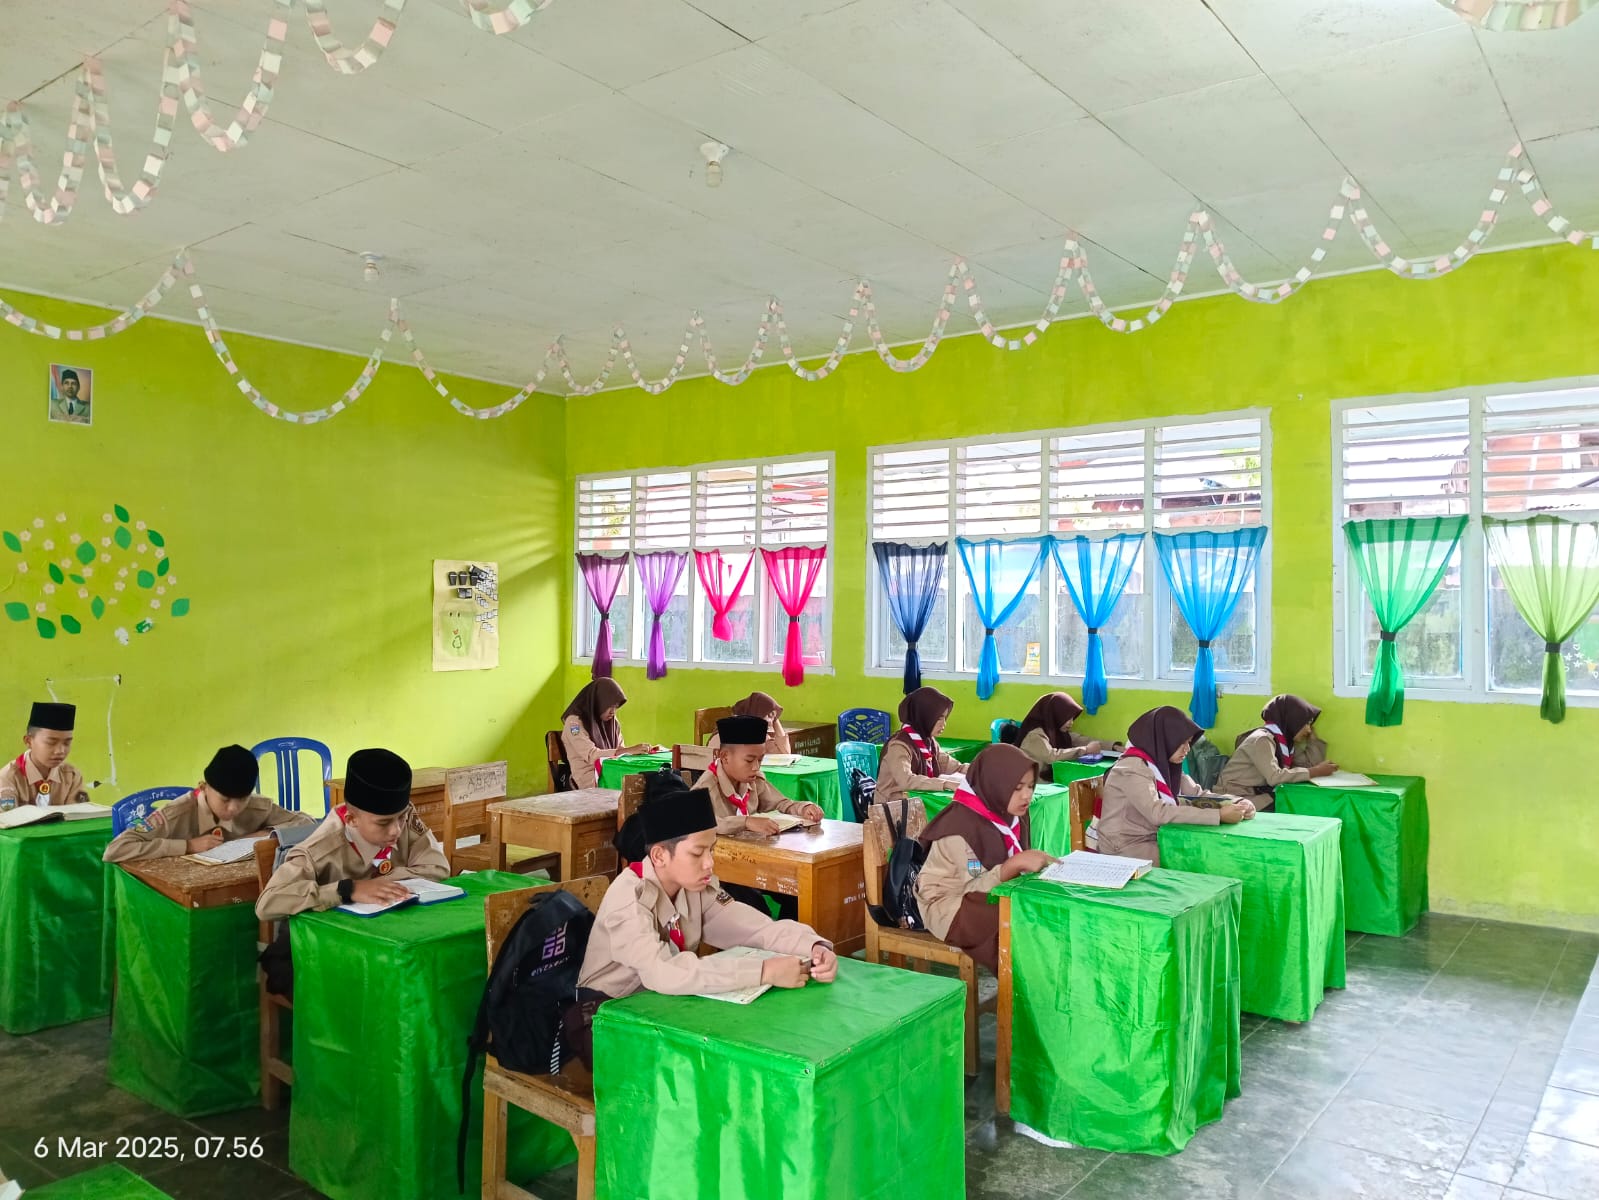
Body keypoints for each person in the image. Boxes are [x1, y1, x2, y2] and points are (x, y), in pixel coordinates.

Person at [565, 772, 836, 1066]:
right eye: (697, 853)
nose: (709, 863)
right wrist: (762, 971)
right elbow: (664, 973)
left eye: (712, 849)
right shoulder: (629, 899)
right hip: (608, 1017)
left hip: (664, 1005)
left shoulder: (694, 887)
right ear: (659, 856)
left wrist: (814, 947)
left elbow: (755, 929)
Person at [255, 748, 449, 921]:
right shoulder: (318, 851)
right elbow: (267, 904)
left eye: (401, 818)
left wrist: (379, 884)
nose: (396, 830)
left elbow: (438, 867)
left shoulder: (403, 820)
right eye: (383, 823)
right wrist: (347, 890)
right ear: (351, 820)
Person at [913, 744, 1057, 971]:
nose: (1027, 795)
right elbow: (972, 889)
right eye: (1017, 788)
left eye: (1030, 786)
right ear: (995, 785)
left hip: (985, 893)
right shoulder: (961, 827)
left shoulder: (1012, 813)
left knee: (1042, 912)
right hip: (950, 906)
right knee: (1019, 926)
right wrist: (1012, 866)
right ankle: (1018, 990)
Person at [103, 744, 315, 862]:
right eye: (224, 799)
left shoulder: (257, 806)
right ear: (203, 787)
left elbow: (308, 822)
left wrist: (268, 834)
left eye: (241, 799)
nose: (233, 808)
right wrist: (186, 846)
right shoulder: (175, 814)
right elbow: (115, 850)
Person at [1096, 707, 1254, 865]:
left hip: (1156, 836)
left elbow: (1197, 795)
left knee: (1206, 853)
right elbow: (1158, 813)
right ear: (1164, 740)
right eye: (1181, 743)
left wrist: (1236, 802)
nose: (1187, 749)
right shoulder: (1132, 767)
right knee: (1195, 861)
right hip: (1125, 847)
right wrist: (1218, 816)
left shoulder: (1165, 764)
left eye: (1189, 742)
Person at [695, 716, 824, 837]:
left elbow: (780, 803)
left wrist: (803, 808)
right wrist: (746, 822)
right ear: (724, 757)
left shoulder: (753, 780)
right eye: (749, 760)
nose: (756, 767)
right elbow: (702, 824)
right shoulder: (705, 787)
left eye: (760, 760)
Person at [1215, 694, 1337, 809]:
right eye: (1306, 723)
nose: (1309, 729)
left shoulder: (1285, 743)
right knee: (1297, 807)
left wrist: (1313, 740)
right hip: (1237, 797)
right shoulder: (1262, 740)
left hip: (1257, 794)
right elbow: (1275, 777)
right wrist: (1315, 771)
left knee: (1300, 802)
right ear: (1293, 721)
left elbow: (1309, 765)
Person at [874, 687, 967, 811]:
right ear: (924, 716)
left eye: (945, 718)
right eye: (938, 718)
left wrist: (980, 771)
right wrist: (945, 784)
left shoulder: (928, 742)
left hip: (912, 805)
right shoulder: (899, 745)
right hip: (890, 810)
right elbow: (906, 780)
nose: (943, 724)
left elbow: (955, 766)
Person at [560, 679, 654, 790]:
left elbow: (620, 750)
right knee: (634, 786)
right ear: (598, 701)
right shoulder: (574, 723)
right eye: (609, 706)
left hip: (611, 770)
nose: (613, 712)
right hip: (589, 778)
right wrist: (628, 750)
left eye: (616, 707)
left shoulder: (612, 722)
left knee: (646, 778)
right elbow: (592, 755)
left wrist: (637, 752)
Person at [0, 702, 89, 811]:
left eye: (67, 743)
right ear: (28, 741)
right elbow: (7, 822)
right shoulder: (9, 778)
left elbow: (79, 818)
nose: (60, 751)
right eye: (51, 742)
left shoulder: (72, 777)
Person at [1014, 692, 1104, 776]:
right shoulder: (1035, 735)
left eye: (1072, 718)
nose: (1071, 723)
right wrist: (1085, 750)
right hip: (1035, 783)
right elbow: (1052, 757)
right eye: (1067, 718)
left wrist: (1114, 746)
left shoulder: (1055, 731)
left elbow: (1080, 740)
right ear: (1055, 714)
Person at [705, 692, 791, 755]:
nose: (771, 723)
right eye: (768, 715)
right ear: (755, 713)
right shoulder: (725, 735)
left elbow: (785, 753)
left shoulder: (757, 733)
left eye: (773, 718)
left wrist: (775, 720)